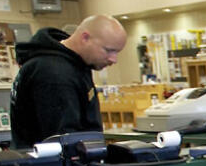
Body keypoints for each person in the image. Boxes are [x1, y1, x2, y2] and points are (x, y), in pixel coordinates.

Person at [9, 14, 128, 149]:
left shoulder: (74, 64)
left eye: (117, 52)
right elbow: (62, 139)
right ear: (85, 38)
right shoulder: (54, 73)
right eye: (108, 50)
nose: (114, 59)